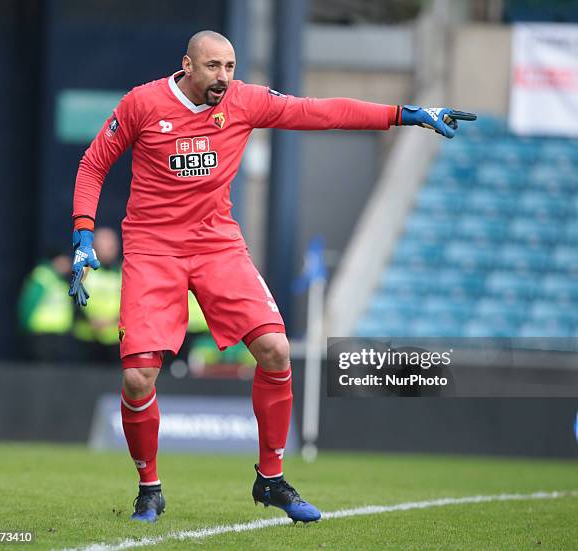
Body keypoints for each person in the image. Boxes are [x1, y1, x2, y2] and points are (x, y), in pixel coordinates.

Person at [69, 30, 476, 523]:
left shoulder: (244, 101)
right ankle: (149, 489)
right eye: (214, 66)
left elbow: (321, 112)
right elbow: (94, 164)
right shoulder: (143, 103)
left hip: (217, 244)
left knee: (276, 349)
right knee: (137, 378)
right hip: (154, 251)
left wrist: (406, 114)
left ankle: (271, 479)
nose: (224, 77)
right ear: (188, 65)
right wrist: (84, 236)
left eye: (231, 66)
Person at [73, 227, 122, 363]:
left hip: (115, 338)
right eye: (103, 245)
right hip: (86, 337)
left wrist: (111, 320)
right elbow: (73, 299)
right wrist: (90, 320)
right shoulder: (82, 270)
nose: (108, 250)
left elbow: (131, 303)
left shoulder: (124, 271)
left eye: (111, 246)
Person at [18, 252, 75, 362]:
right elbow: (29, 302)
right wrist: (24, 324)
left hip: (60, 332)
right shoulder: (43, 276)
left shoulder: (63, 280)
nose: (68, 265)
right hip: (41, 332)